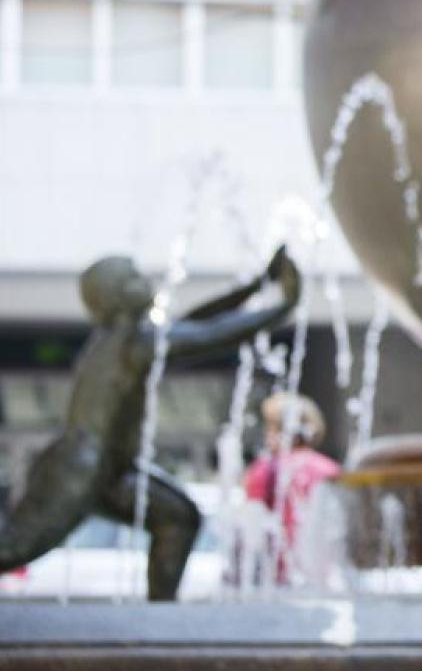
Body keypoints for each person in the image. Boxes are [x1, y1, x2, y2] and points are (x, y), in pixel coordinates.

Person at [0, 246, 301, 600]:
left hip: (106, 467)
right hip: (80, 469)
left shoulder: (129, 338)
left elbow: (194, 325)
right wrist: (281, 307)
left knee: (178, 518)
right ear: (117, 295)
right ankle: (158, 614)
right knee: (14, 549)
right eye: (133, 277)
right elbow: (209, 334)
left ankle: (158, 618)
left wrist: (255, 287)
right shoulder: (131, 341)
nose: (144, 282)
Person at [242, 392, 340, 585]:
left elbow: (250, 525)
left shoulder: (264, 469)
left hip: (275, 574)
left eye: (270, 426)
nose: (266, 433)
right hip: (321, 574)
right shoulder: (329, 469)